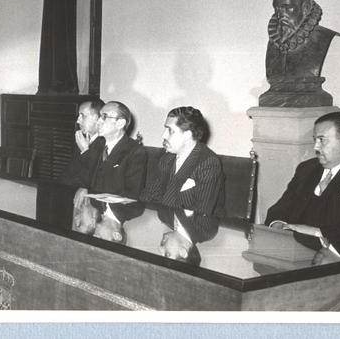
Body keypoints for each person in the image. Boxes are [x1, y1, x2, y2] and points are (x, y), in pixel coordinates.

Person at [264, 112, 340, 260]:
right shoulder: (306, 169)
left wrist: (314, 231)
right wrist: (278, 226)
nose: (315, 147)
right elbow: (280, 208)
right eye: (315, 140)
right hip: (293, 252)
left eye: (322, 140)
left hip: (339, 259)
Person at [140, 106, 226, 259]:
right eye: (165, 129)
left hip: (195, 229)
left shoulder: (208, 163)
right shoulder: (167, 158)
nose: (163, 135)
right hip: (169, 225)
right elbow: (149, 195)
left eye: (170, 131)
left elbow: (201, 212)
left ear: (187, 135)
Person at [72, 101, 147, 242]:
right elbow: (86, 179)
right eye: (99, 116)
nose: (99, 121)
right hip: (96, 210)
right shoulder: (98, 145)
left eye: (104, 117)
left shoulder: (135, 151)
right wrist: (85, 153)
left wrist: (106, 214)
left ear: (120, 124)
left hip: (114, 213)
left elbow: (131, 195)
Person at [260, 0, 340, 107]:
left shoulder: (322, 38)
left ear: (306, 7)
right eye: (277, 8)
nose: (281, 14)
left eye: (288, 7)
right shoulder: (273, 42)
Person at [59, 99, 105, 186]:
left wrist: (85, 151)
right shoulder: (82, 139)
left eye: (83, 116)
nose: (78, 121)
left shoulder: (105, 144)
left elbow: (95, 180)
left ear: (97, 118)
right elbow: (68, 174)